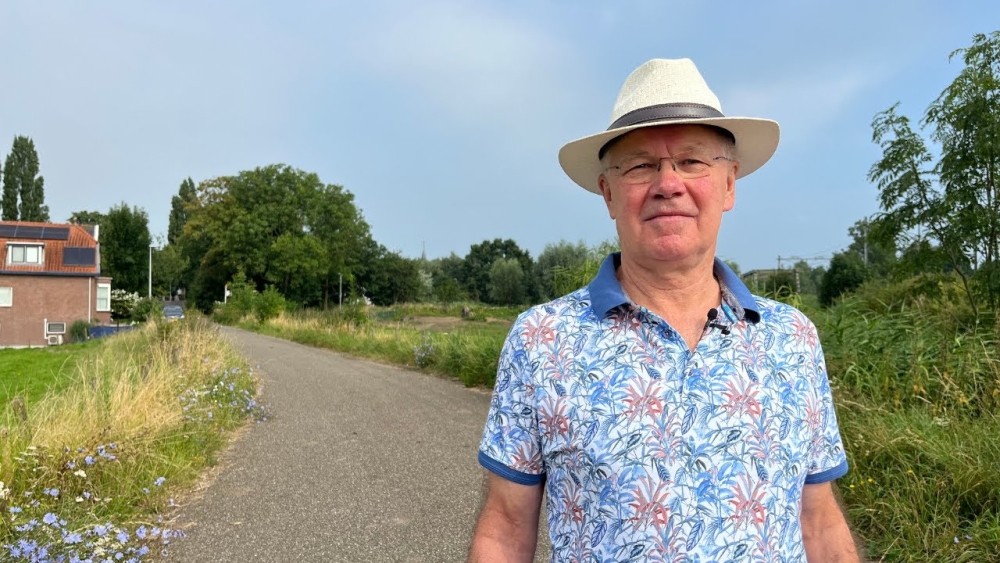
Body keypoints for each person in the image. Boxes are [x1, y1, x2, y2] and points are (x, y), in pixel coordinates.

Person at [468, 59, 860, 562]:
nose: (668, 183)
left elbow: (820, 522)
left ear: (729, 184)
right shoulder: (542, 340)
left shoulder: (793, 340)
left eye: (693, 161)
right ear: (609, 193)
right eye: (640, 166)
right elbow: (504, 529)